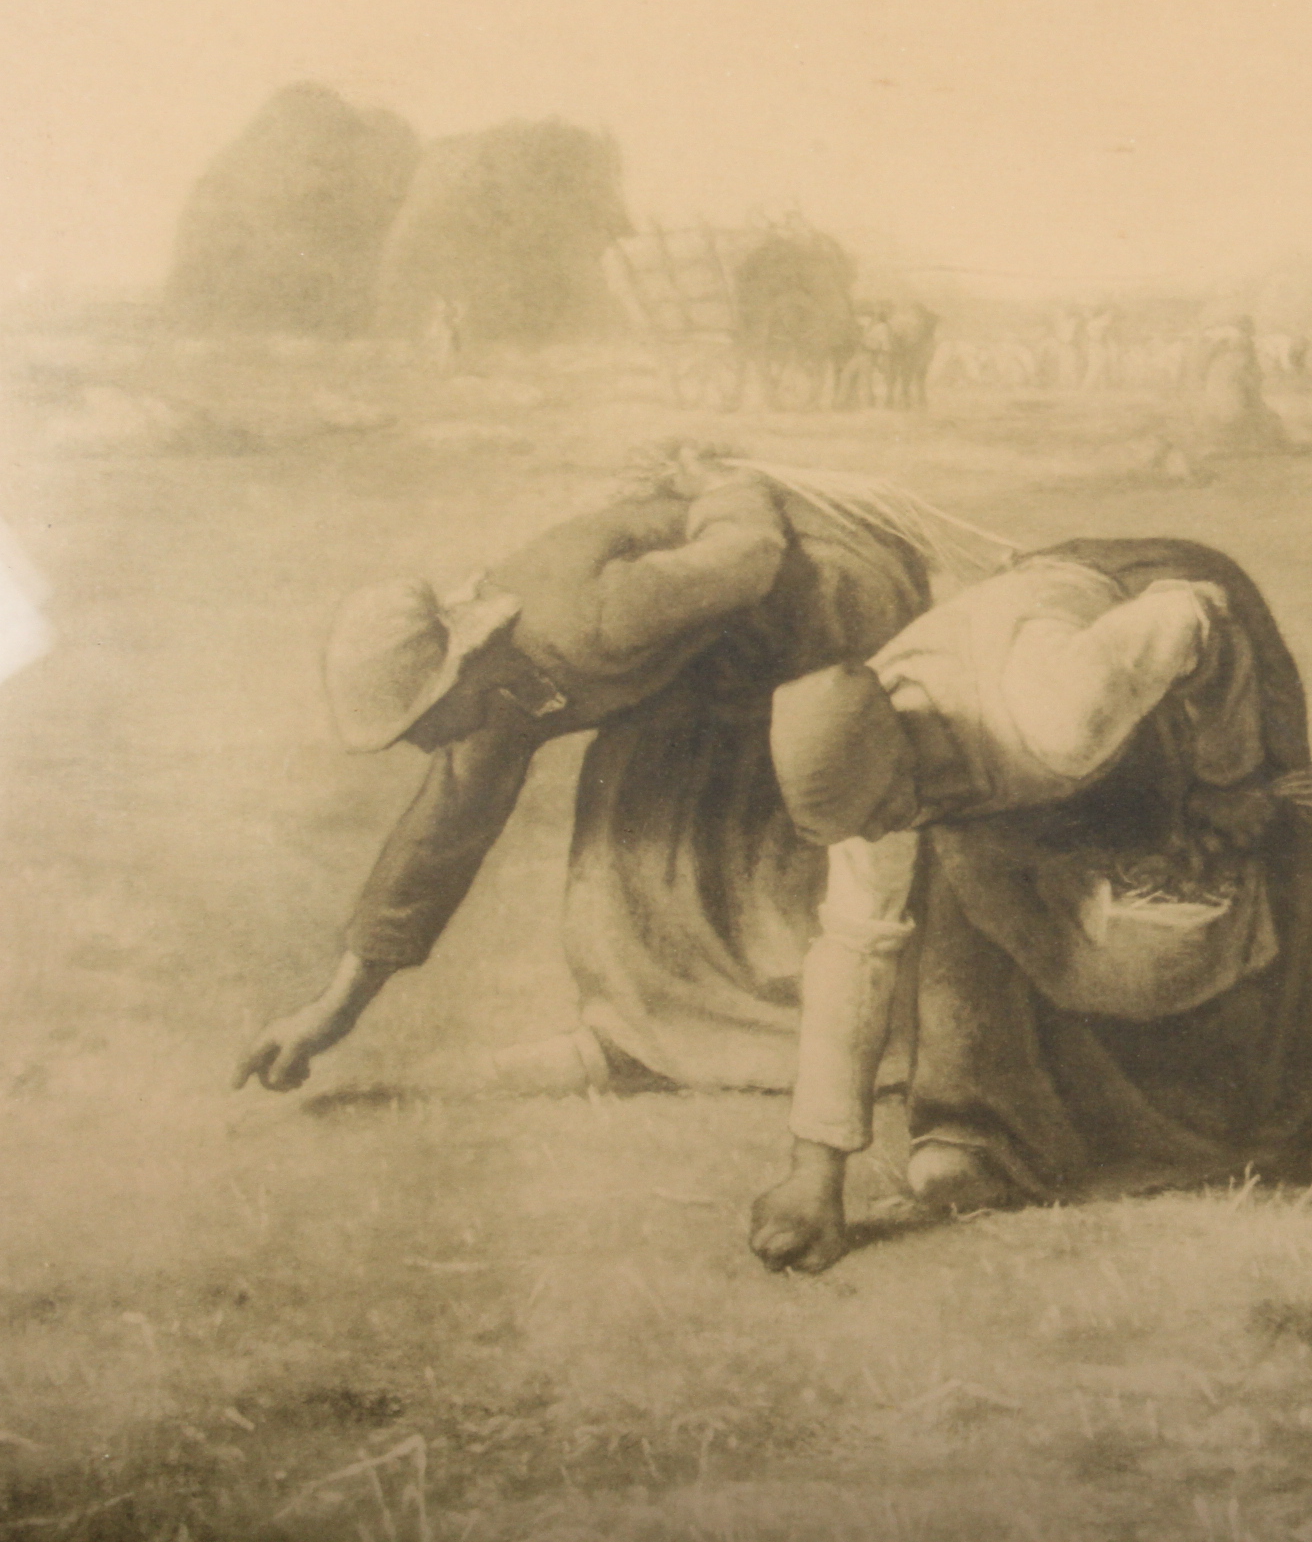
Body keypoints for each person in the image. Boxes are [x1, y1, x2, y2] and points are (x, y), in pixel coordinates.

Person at [746, 538, 1312, 1274]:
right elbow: (857, 945)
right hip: (1068, 687)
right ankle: (992, 1138)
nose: (877, 833)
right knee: (978, 896)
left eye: (883, 811)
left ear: (905, 749)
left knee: (1241, 881)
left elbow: (1197, 617)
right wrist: (815, 1174)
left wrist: (1226, 781)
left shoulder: (1052, 709)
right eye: (864, 825)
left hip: (1181, 647)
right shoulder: (866, 773)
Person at [234, 456, 932, 1096]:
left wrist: (723, 485)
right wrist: (330, 1013)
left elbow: (746, 559)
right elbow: (437, 839)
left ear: (458, 671)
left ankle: (874, 1043)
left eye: (419, 722)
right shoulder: (494, 698)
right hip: (714, 666)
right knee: (621, 839)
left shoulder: (589, 619)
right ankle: (651, 1039)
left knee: (798, 811)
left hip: (823, 605)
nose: (420, 744)